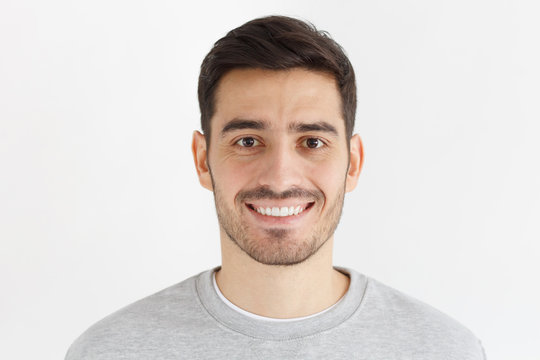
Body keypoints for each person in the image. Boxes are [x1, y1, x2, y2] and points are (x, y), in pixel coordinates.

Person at [65, 15, 486, 359]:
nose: (281, 178)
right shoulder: (108, 352)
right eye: (248, 141)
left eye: (313, 142)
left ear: (353, 163)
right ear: (202, 159)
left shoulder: (445, 350)